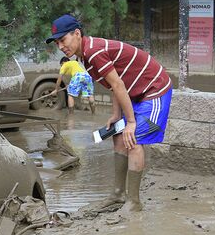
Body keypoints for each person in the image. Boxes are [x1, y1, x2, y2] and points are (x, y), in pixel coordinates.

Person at [45, 14, 172, 212]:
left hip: (154, 89)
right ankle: (118, 194)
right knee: (118, 136)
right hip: (134, 93)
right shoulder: (84, 56)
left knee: (134, 139)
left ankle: (134, 202)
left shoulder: (93, 52)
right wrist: (116, 115)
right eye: (57, 43)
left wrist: (130, 122)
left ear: (77, 34)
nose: (60, 46)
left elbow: (118, 84)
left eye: (63, 40)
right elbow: (116, 85)